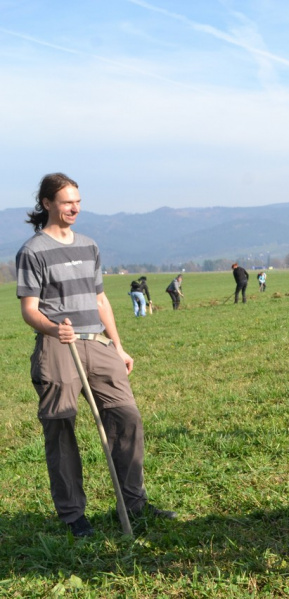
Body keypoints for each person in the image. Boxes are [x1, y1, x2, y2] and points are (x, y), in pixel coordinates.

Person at [15, 173, 175, 538]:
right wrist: (54, 329)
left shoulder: (89, 245)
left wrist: (117, 345)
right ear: (47, 204)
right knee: (61, 428)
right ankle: (74, 516)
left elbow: (100, 300)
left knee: (127, 417)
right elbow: (29, 309)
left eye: (78, 201)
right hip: (59, 346)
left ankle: (134, 503)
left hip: (97, 344)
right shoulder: (32, 251)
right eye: (67, 201)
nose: (75, 207)